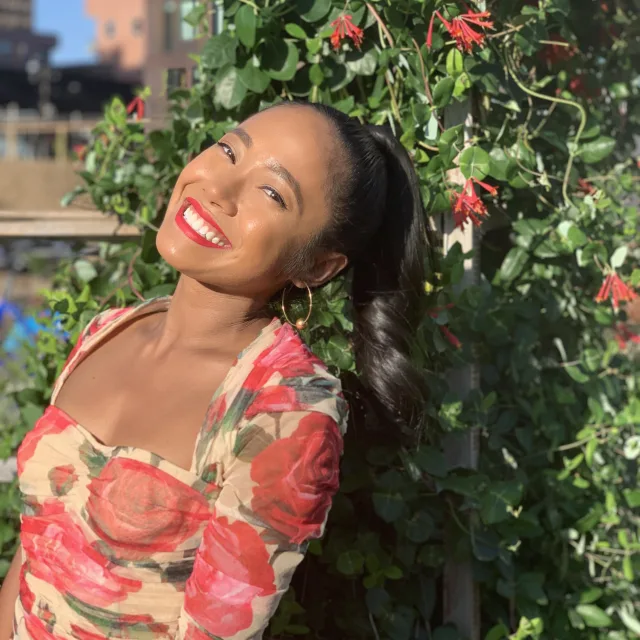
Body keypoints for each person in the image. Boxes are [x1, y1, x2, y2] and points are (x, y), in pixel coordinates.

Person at [0, 101, 434, 639]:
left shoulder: (286, 408)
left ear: (318, 266)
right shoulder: (109, 330)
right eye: (229, 151)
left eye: (272, 193)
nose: (218, 189)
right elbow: (34, 549)